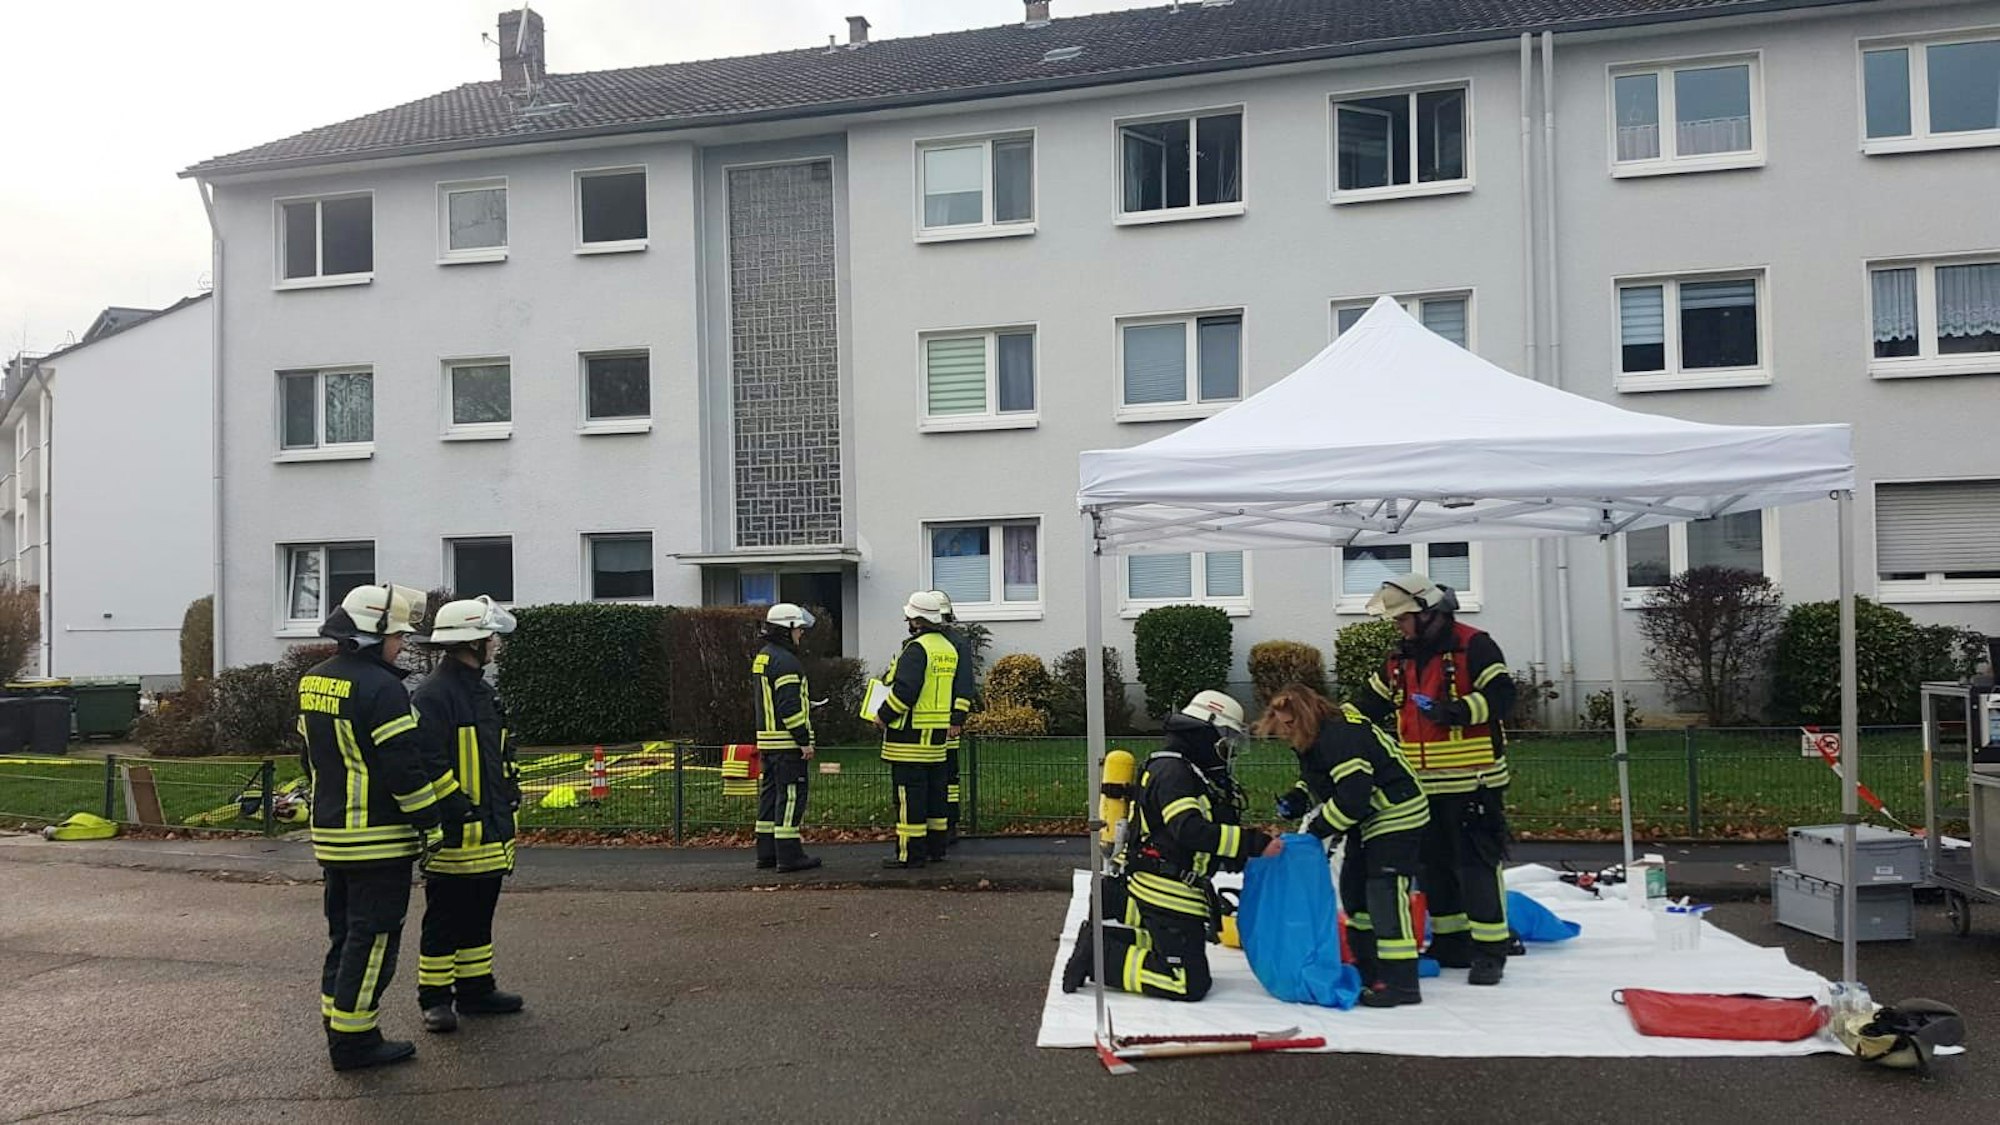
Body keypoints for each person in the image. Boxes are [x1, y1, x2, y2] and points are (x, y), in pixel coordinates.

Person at [300, 584, 467, 1072]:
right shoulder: (383, 688)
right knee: (373, 940)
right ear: (371, 636)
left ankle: (338, 1024)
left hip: (332, 835)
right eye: (395, 635)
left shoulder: (314, 680)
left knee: (344, 936)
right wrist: (431, 823)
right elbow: (402, 766)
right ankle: (355, 1042)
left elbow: (308, 754)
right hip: (376, 839)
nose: (400, 644)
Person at [1061, 691, 1281, 1002]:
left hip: (1174, 884)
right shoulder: (1174, 773)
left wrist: (1241, 852)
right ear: (1207, 733)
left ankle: (1107, 936)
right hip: (1165, 888)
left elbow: (1205, 836)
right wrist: (1254, 844)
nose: (1228, 750)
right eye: (1226, 739)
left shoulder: (1187, 769)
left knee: (1181, 954)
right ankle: (1102, 957)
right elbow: (1188, 830)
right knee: (1187, 982)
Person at [1355, 573, 1517, 985]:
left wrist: (1456, 711)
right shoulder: (1399, 660)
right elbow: (1368, 703)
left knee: (1476, 866)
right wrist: (1326, 722)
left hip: (1473, 782)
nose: (1398, 627)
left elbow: (1503, 696)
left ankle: (1490, 951)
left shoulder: (1473, 644)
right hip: (1422, 789)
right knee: (1434, 867)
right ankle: (1452, 942)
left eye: (1403, 619)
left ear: (1428, 613)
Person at [1257, 685, 1430, 1007]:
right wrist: (1299, 796)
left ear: (1305, 716)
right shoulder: (1319, 737)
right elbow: (1324, 779)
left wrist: (1314, 834)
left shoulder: (1340, 736)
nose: (1285, 732)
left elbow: (1352, 797)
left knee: (1385, 894)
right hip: (1368, 820)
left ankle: (1402, 983)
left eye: (1289, 724)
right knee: (1353, 891)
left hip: (1396, 813)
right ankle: (1369, 969)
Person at [412, 595, 525, 1034]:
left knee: (480, 912)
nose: (496, 643)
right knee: (444, 917)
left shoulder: (480, 690)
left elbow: (496, 752)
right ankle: (435, 999)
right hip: (456, 831)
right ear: (472, 642)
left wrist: (509, 790)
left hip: (489, 827)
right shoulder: (435, 694)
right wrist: (456, 807)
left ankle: (476, 989)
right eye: (490, 637)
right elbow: (427, 760)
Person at [873, 591, 964, 868]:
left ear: (916, 619)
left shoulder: (916, 649)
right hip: (935, 739)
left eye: (909, 617)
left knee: (908, 798)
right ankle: (936, 849)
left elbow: (906, 691)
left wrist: (883, 716)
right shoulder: (947, 649)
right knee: (935, 795)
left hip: (909, 739)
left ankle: (909, 854)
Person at [753, 602, 822, 874]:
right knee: (792, 795)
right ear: (787, 629)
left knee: (770, 796)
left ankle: (767, 853)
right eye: (799, 629)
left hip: (768, 741)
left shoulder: (765, 656)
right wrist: (804, 740)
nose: (801, 634)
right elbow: (789, 708)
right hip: (787, 743)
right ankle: (790, 855)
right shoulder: (788, 662)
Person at [930, 591, 976, 848]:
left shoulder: (955, 644)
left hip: (943, 721)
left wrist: (956, 718)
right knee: (945, 775)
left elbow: (963, 684)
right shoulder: (951, 642)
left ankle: (947, 824)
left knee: (947, 775)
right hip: (937, 721)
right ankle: (944, 825)